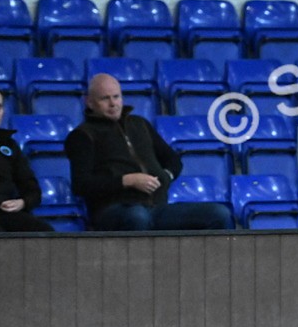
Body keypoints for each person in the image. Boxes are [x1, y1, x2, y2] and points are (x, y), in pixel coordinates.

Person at [65, 73, 233, 231]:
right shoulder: (82, 135)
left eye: (116, 97)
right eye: (105, 98)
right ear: (89, 102)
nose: (113, 103)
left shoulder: (139, 124)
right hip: (112, 211)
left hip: (157, 208)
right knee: (138, 216)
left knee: (219, 214)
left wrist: (166, 176)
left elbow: (172, 160)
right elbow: (82, 185)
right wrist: (126, 181)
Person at [0, 85, 54, 232]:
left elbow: (31, 189)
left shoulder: (9, 145)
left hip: (2, 212)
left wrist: (22, 203)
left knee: (46, 233)